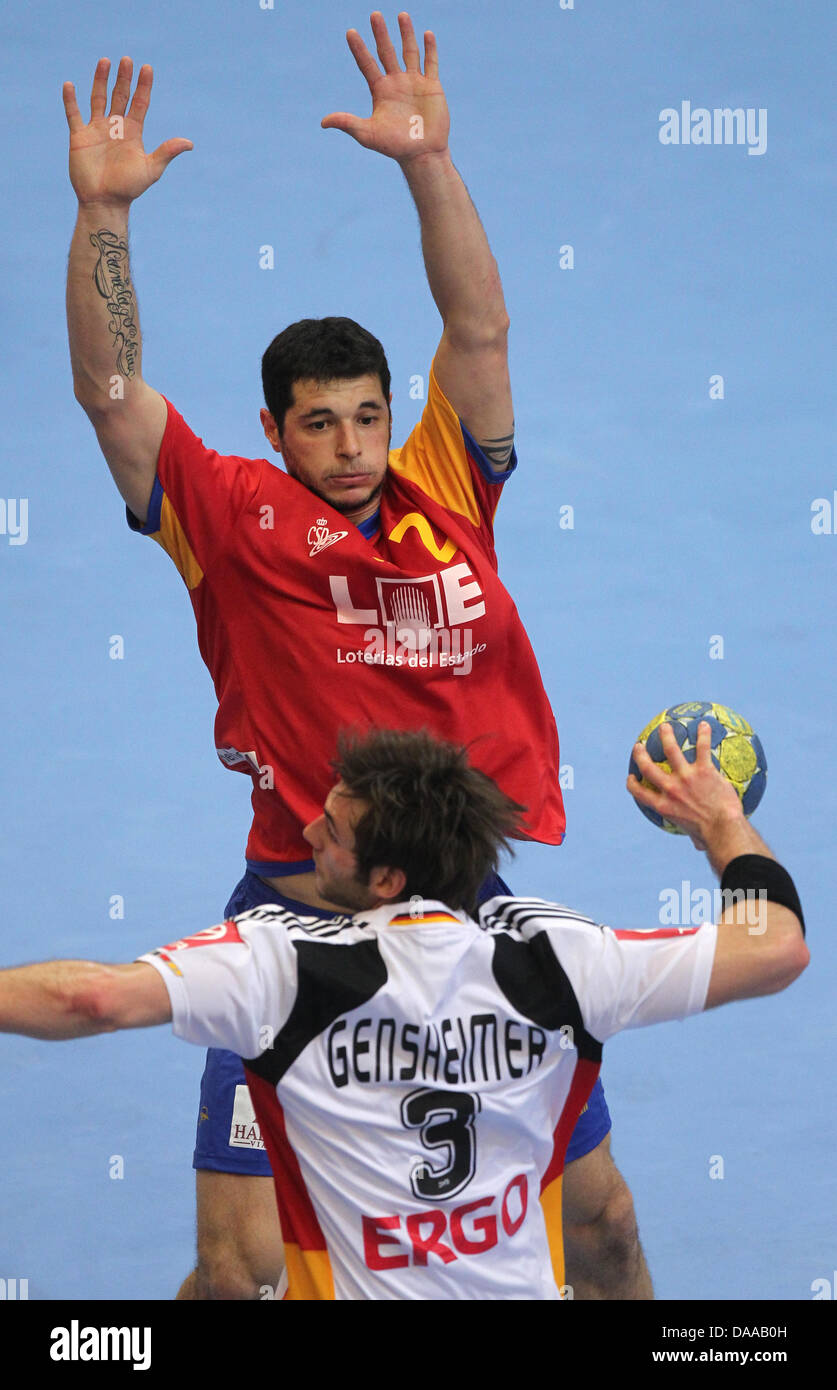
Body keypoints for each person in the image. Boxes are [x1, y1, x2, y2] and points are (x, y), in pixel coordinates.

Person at [64, 13, 640, 1299]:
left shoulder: (445, 483)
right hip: (297, 903)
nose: (350, 442)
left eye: (368, 415)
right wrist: (105, 217)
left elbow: (480, 333)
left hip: (468, 905)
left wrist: (426, 163)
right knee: (236, 1269)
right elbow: (113, 396)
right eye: (319, 424)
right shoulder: (225, 516)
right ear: (275, 431)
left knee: (599, 1225)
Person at [0, 725, 807, 1299]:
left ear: (385, 879)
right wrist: (720, 822)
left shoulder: (279, 967)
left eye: (334, 829)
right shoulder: (560, 958)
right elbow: (773, 947)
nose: (308, 827)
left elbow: (90, 998)